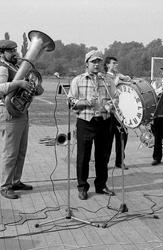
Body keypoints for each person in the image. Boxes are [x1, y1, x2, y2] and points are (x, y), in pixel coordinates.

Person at [68, 50, 116, 200]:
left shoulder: (107, 80)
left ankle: (101, 185)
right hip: (86, 122)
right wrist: (87, 102)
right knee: (83, 157)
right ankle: (82, 187)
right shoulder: (78, 80)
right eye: (93, 62)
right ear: (86, 63)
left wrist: (110, 105)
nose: (96, 65)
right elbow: (70, 102)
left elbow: (115, 98)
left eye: (98, 62)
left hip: (104, 121)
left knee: (103, 156)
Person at [0, 40, 44, 199]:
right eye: (10, 51)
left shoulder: (17, 67)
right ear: (2, 53)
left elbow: (34, 89)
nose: (15, 53)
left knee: (21, 151)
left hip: (21, 112)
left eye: (15, 50)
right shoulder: (3, 67)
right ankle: (5, 186)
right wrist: (19, 82)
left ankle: (16, 181)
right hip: (9, 113)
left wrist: (36, 87)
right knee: (10, 152)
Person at [103, 56, 131, 170]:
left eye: (116, 63)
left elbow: (129, 80)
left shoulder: (118, 75)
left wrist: (124, 77)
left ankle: (120, 161)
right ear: (107, 65)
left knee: (122, 136)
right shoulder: (104, 77)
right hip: (110, 112)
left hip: (120, 112)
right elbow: (106, 91)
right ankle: (104, 163)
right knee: (108, 139)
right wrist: (117, 80)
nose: (116, 65)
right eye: (114, 63)